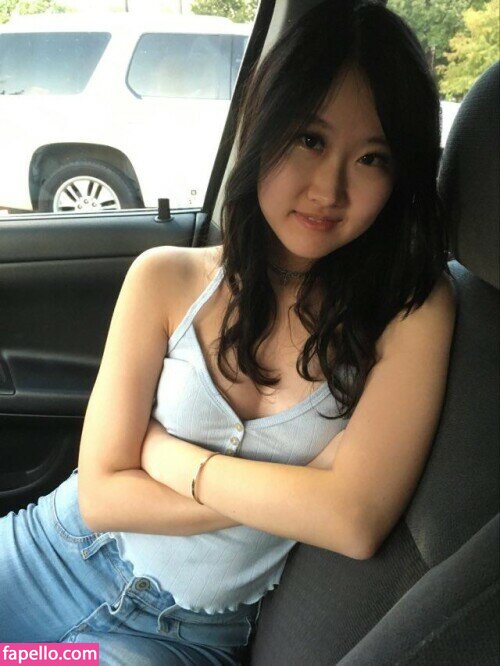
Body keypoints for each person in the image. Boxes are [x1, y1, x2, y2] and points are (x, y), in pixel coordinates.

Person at [0, 1, 457, 663]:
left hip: (180, 636)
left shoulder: (412, 310)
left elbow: (352, 520)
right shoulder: (165, 278)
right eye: (310, 139)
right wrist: (301, 488)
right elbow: (100, 495)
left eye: (372, 158)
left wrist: (170, 461)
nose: (329, 189)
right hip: (51, 554)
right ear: (265, 126)